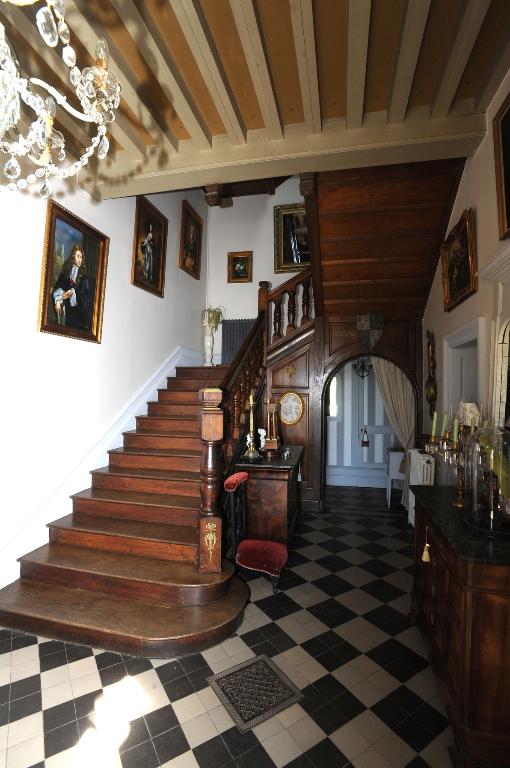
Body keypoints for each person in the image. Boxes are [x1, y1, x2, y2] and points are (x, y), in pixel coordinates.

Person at [52, 243, 91, 330]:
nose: (80, 259)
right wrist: (58, 300)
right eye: (78, 256)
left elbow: (86, 299)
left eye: (81, 257)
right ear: (73, 256)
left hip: (79, 317)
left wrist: (73, 292)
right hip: (68, 314)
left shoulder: (84, 278)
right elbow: (58, 287)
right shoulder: (65, 273)